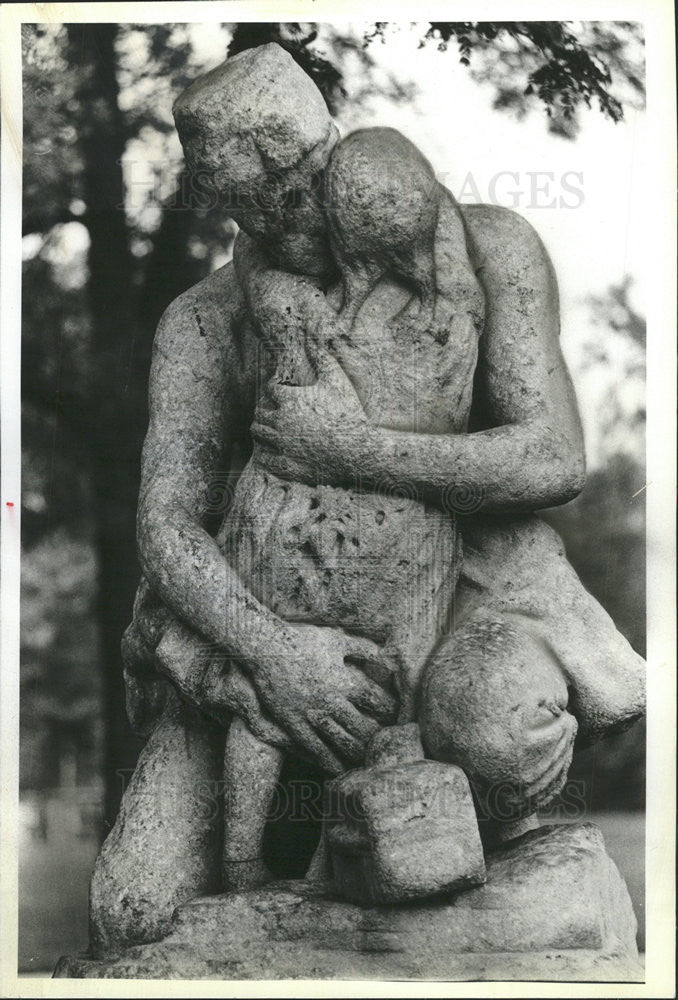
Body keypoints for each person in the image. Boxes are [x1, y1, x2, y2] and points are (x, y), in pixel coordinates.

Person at [90, 44, 645, 955]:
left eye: (306, 176)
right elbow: (164, 523)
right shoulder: (202, 320)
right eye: (262, 202)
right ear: (228, 204)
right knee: (134, 911)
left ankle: (358, 911)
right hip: (255, 625)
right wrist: (271, 657)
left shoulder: (486, 248)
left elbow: (551, 459)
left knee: (496, 736)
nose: (295, 210)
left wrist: (350, 451)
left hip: (466, 593)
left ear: (331, 143)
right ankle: (362, 924)